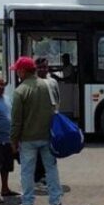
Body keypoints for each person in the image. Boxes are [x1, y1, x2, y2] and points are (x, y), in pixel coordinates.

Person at [10, 56, 63, 205]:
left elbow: (16, 120)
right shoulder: (48, 85)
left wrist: (14, 140)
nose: (17, 73)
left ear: (23, 71)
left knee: (27, 171)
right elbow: (55, 108)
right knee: (51, 169)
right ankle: (55, 201)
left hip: (27, 139)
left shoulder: (20, 91)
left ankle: (27, 203)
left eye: (17, 70)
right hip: (47, 136)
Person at [32, 57, 60, 193]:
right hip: (37, 123)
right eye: (40, 67)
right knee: (38, 152)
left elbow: (57, 99)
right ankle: (37, 178)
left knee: (50, 150)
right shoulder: (32, 83)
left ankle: (46, 177)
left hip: (51, 120)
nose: (42, 70)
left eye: (45, 67)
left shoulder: (53, 82)